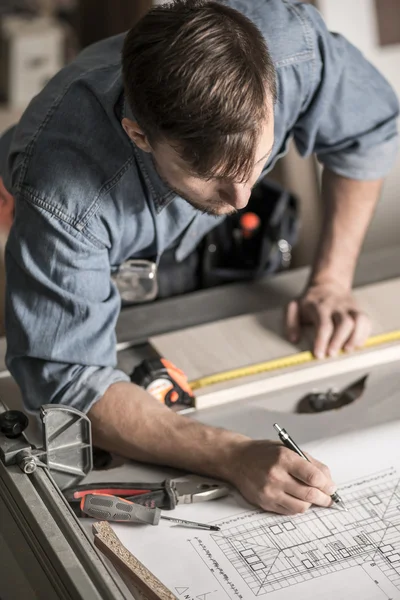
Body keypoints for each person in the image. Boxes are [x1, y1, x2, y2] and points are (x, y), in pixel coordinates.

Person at [0, 0, 398, 515]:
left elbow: (365, 131)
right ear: (139, 135)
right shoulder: (63, 190)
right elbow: (72, 382)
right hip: (101, 259)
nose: (241, 200)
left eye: (256, 164)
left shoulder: (291, 49)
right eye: (210, 175)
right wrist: (234, 455)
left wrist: (332, 280)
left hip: (205, 251)